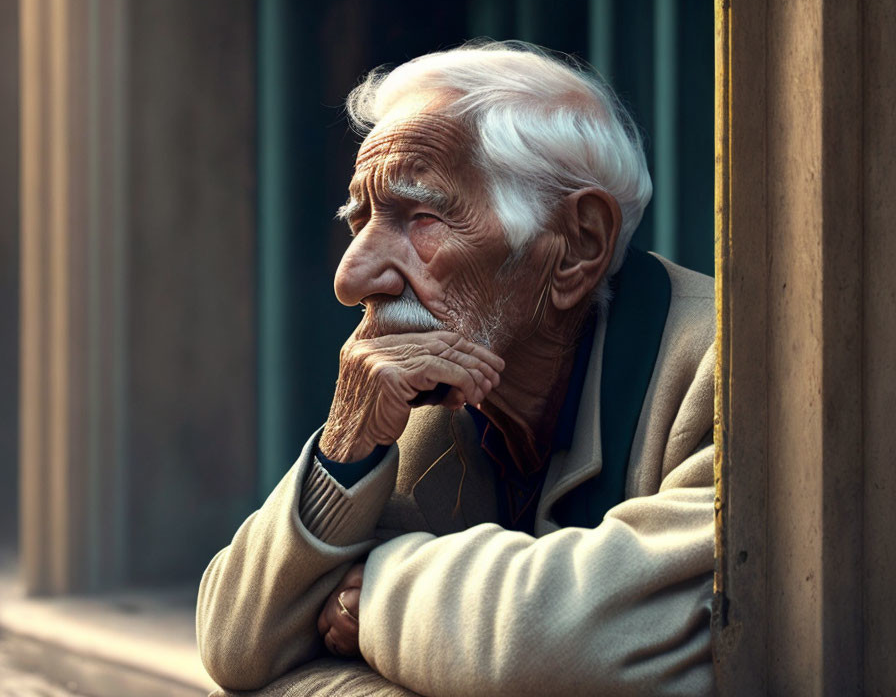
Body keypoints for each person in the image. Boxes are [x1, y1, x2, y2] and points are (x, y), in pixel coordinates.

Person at [197, 40, 716, 697]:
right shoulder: (438, 400)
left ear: (579, 245)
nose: (352, 278)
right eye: (361, 222)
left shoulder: (734, 375)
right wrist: (347, 447)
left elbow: (570, 644)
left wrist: (374, 597)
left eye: (421, 217)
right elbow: (238, 647)